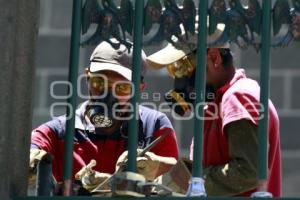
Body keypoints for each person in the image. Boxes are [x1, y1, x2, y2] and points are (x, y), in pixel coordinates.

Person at [29, 40, 179, 192]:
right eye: (99, 83)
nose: (108, 95)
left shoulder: (154, 126)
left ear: (139, 89)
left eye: (122, 87)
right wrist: (31, 157)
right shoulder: (60, 132)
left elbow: (177, 185)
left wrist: (158, 167)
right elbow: (31, 148)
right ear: (88, 78)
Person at [146, 40, 282, 196]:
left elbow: (249, 171)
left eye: (183, 67)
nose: (179, 78)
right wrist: (161, 168)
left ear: (214, 58)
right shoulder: (214, 105)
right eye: (175, 69)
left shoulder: (238, 96)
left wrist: (193, 182)